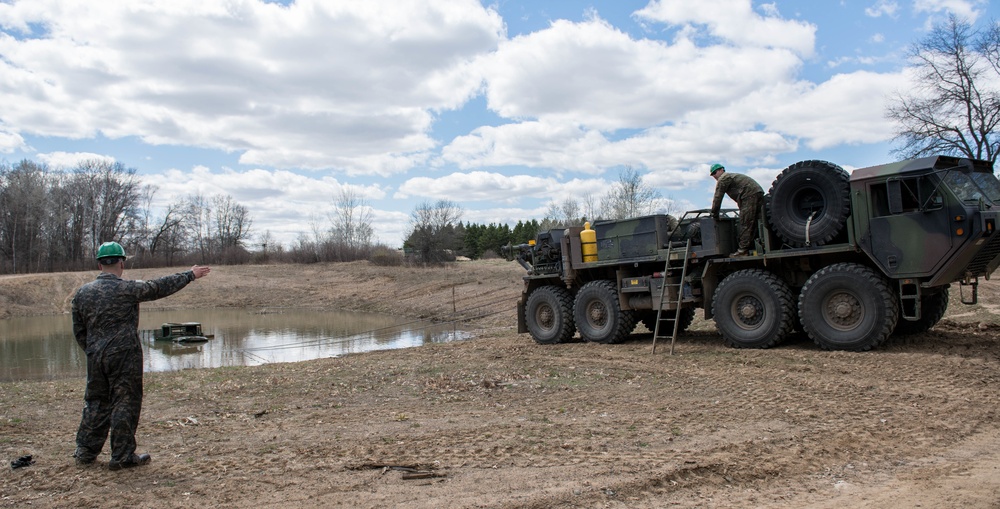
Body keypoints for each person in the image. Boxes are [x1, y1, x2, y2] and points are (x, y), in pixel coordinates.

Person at [72, 241, 211, 470]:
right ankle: (122, 456)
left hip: (95, 355)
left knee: (96, 402)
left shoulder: (82, 293)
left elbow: (79, 329)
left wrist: (92, 348)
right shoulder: (127, 289)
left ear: (99, 265)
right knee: (125, 402)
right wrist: (190, 275)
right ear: (122, 263)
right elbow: (159, 287)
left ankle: (85, 452)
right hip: (125, 355)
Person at [709, 163, 764, 257]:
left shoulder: (723, 178)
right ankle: (757, 246)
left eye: (715, 172)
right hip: (756, 192)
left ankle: (742, 251)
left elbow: (718, 197)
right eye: (712, 174)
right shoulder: (730, 177)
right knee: (756, 221)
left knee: (745, 222)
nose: (714, 176)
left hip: (749, 194)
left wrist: (714, 214)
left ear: (722, 170)